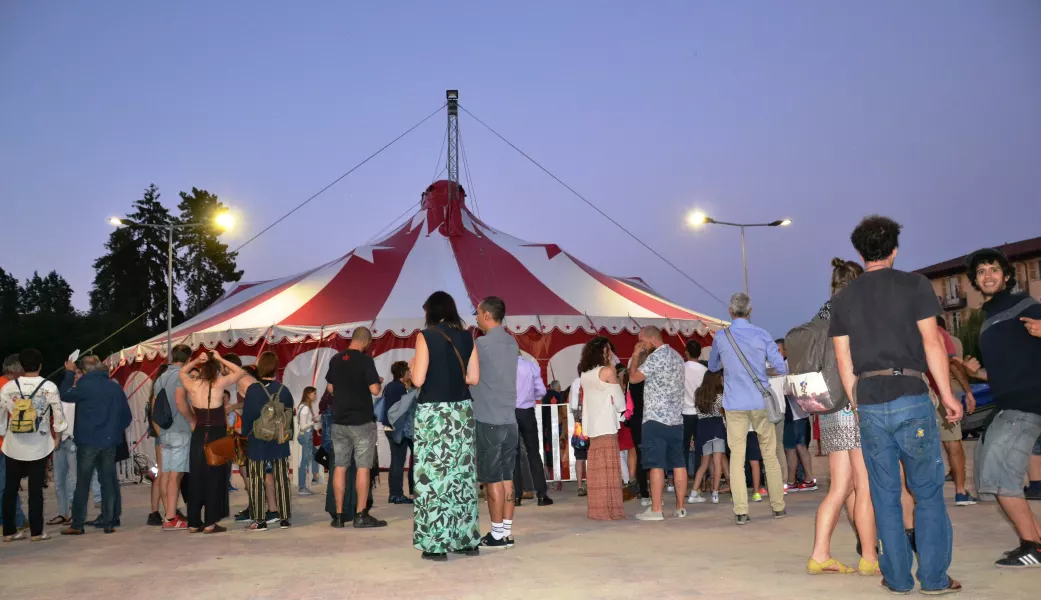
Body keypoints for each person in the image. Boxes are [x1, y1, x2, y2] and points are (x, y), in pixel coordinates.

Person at [830, 215, 962, 594]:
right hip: (911, 394)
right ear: (894, 249)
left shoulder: (843, 299)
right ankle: (934, 579)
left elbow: (843, 360)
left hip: (870, 400)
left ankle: (899, 578)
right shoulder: (915, 285)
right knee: (927, 493)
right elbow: (933, 343)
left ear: (859, 252)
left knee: (884, 495)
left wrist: (858, 401)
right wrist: (948, 395)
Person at [958, 247, 1041, 567]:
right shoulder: (989, 317)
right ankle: (1034, 541)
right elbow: (1005, 370)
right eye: (981, 272)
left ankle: (1031, 546)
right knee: (989, 473)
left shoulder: (1026, 305)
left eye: (994, 269)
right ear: (975, 281)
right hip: (1008, 403)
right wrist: (975, 373)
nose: (987, 275)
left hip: (1027, 404)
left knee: (1000, 477)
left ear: (1006, 276)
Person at [805, 257, 882, 576]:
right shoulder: (855, 310)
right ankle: (870, 558)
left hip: (829, 407)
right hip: (853, 402)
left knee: (841, 486)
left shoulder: (821, 313)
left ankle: (820, 554)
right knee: (863, 485)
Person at [410, 291, 481, 561]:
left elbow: (417, 380)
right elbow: (473, 378)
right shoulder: (467, 337)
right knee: (461, 475)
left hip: (434, 414)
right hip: (461, 411)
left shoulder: (425, 336)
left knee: (434, 476)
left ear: (431, 311)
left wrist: (415, 364)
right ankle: (466, 540)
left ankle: (436, 543)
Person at [709, 293, 788, 525]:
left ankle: (741, 510)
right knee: (769, 454)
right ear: (750, 310)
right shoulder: (762, 334)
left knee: (737, 456)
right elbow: (780, 367)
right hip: (760, 401)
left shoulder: (722, 336)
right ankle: (778, 506)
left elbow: (713, 365)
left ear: (730, 311)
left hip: (734, 404)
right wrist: (764, 372)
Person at [54, 354, 129, 537]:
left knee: (83, 482)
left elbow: (64, 394)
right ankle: (109, 521)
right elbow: (126, 417)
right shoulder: (114, 387)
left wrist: (69, 374)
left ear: (85, 370)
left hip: (88, 441)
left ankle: (78, 524)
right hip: (109, 440)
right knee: (107, 482)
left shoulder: (84, 386)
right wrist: (113, 432)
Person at [470, 296, 522, 548]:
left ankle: (496, 534)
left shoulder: (480, 344)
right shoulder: (513, 342)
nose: (477, 318)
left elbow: (471, 377)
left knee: (492, 479)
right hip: (510, 419)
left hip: (488, 419)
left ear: (487, 315)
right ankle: (507, 532)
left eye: (478, 313)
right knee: (507, 477)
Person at [1, 349, 66, 541]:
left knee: (10, 489)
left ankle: (9, 531)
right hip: (39, 443)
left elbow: (1, 414)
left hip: (13, 443)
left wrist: (3, 433)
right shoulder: (50, 387)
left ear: (21, 365)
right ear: (40, 365)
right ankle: (37, 532)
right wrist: (57, 438)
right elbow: (59, 416)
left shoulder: (8, 387)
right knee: (35, 490)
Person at [326, 326, 386, 529]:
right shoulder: (365, 361)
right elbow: (375, 391)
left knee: (340, 467)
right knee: (363, 468)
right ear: (366, 342)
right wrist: (378, 382)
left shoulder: (335, 360)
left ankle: (339, 516)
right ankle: (361, 515)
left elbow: (330, 387)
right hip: (361, 422)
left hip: (339, 422)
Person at [178, 351, 244, 534]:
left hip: (199, 434)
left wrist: (196, 361)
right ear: (215, 371)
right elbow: (239, 372)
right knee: (215, 478)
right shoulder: (218, 384)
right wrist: (220, 358)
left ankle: (193, 522)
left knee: (196, 477)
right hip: (216, 434)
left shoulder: (192, 385)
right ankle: (210, 523)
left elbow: (182, 372)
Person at [629, 326, 688, 521]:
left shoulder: (655, 357)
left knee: (656, 465)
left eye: (643, 342)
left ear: (652, 340)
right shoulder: (678, 357)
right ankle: (680, 507)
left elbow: (634, 378)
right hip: (676, 420)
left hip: (655, 419)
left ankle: (656, 509)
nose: (642, 346)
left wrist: (635, 356)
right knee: (679, 463)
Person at [575, 337, 627, 520]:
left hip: (593, 425)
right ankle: (610, 508)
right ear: (603, 352)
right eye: (608, 350)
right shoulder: (607, 371)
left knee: (597, 468)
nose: (610, 353)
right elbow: (620, 401)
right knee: (610, 468)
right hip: (607, 423)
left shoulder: (585, 374)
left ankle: (597, 509)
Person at [242, 351, 294, 531]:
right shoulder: (284, 390)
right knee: (282, 479)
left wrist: (244, 432)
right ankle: (285, 517)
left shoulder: (253, 390)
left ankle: (259, 519)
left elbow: (247, 415)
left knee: (257, 478)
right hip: (279, 439)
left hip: (257, 440)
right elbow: (289, 417)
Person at [930, 316, 979, 506]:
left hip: (915, 396)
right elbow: (954, 365)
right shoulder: (940, 334)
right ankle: (960, 492)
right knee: (953, 443)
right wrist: (968, 391)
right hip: (942, 396)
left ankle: (923, 497)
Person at [155, 345, 193, 531]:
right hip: (180, 429)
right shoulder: (181, 376)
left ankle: (168, 513)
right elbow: (180, 401)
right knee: (176, 476)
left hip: (165, 431)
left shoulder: (160, 378)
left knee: (167, 474)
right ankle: (171, 517)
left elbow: (154, 406)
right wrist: (192, 420)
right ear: (187, 359)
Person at [514, 353, 553, 507]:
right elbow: (542, 391)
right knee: (533, 453)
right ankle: (542, 495)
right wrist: (530, 396)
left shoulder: (505, 367)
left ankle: (516, 496)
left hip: (510, 412)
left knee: (514, 454)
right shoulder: (531, 366)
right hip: (527, 412)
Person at [689, 370, 726, 505]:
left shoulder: (698, 393)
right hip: (717, 427)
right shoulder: (720, 395)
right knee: (717, 464)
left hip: (703, 428)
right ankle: (715, 494)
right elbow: (722, 412)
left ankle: (693, 493)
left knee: (703, 464)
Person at [0, 356, 28, 533]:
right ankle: (14, 520)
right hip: (5, 444)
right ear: (16, 372)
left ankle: (13, 519)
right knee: (6, 486)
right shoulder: (8, 388)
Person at [382, 362, 415, 504]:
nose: (410, 373)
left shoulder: (390, 386)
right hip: (397, 429)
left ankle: (394, 493)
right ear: (402, 373)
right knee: (398, 462)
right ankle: (397, 494)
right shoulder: (399, 388)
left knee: (395, 461)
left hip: (389, 428)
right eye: (408, 370)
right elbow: (402, 411)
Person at [50, 366, 78, 526]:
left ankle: (75, 513)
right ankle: (63, 513)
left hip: (72, 439)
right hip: (59, 440)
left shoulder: (79, 394)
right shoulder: (61, 395)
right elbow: (58, 417)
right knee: (59, 480)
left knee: (73, 479)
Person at [682, 340, 706, 499]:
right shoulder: (705, 370)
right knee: (701, 449)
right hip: (701, 412)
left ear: (686, 352)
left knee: (683, 448)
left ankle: (681, 481)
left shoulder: (681, 368)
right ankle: (700, 483)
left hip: (684, 412)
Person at [567, 375, 588, 496]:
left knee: (579, 458)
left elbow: (571, 405)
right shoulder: (591, 381)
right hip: (590, 425)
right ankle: (590, 484)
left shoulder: (574, 383)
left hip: (578, 425)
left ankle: (580, 486)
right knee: (590, 457)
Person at [296, 386, 319, 496]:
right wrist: (313, 421)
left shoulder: (302, 406)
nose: (315, 396)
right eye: (314, 394)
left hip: (305, 436)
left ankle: (315, 475)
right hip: (306, 435)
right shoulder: (305, 408)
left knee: (315, 454)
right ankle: (302, 487)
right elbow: (303, 426)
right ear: (309, 394)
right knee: (304, 462)